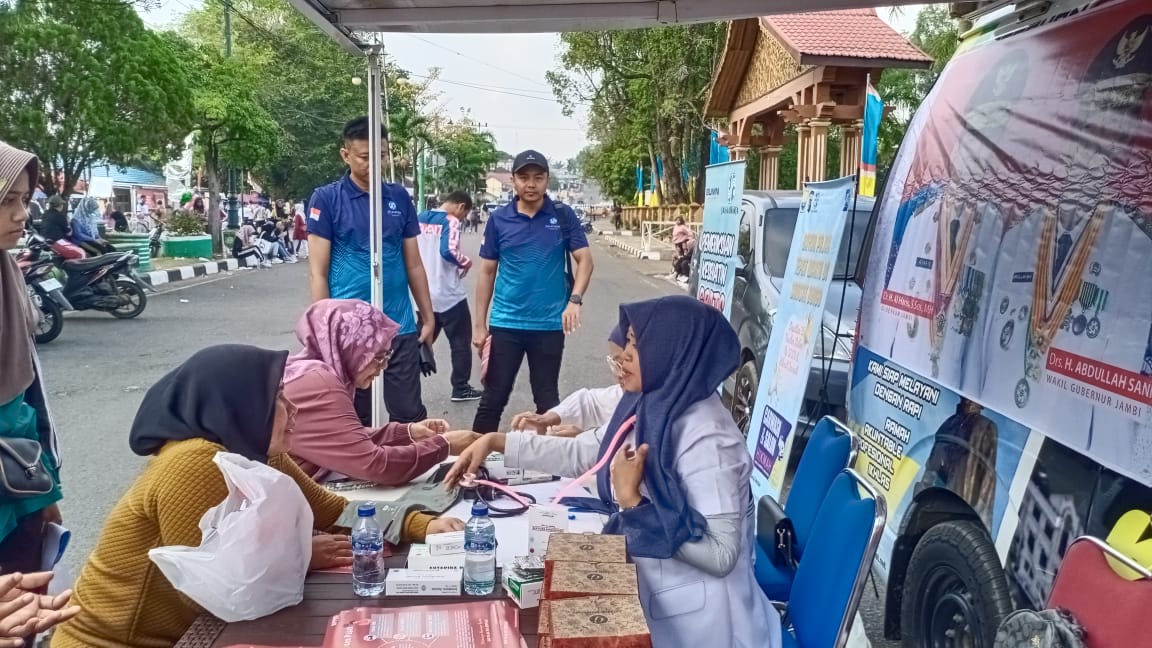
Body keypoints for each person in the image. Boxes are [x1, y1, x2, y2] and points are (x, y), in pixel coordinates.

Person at [51, 345, 463, 648]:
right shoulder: (194, 462)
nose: (294, 409)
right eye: (279, 399)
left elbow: (334, 508)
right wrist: (300, 555)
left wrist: (420, 525)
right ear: (240, 405)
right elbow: (214, 588)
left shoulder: (255, 452)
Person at [448, 296, 780, 648]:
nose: (624, 355)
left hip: (702, 626)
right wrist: (498, 442)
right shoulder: (654, 404)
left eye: (637, 344)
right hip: (655, 592)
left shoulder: (710, 439)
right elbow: (586, 450)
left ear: (672, 348)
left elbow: (721, 554)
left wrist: (633, 503)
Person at [307, 116, 437, 426]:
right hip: (351, 328)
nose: (374, 164)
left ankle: (412, 467)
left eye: (381, 155)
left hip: (399, 322)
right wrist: (322, 329)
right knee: (354, 414)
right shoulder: (327, 199)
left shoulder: (398, 198)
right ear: (346, 155)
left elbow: (414, 263)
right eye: (365, 157)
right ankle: (358, 472)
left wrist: (428, 315)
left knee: (408, 413)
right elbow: (318, 272)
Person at [0, 142, 74, 647]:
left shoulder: (7, 271)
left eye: (24, 200)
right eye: (8, 201)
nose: (22, 214)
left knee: (24, 614)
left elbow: (27, 394)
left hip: (17, 478)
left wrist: (45, 491)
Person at [286, 299, 480, 485]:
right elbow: (376, 466)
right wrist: (444, 445)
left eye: (388, 354)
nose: (385, 365)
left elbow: (343, 439)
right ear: (349, 348)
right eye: (378, 356)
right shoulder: (319, 384)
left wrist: (407, 432)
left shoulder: (310, 374)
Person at [471, 150, 594, 433]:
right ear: (513, 180)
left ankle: (551, 465)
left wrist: (574, 301)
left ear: (547, 180)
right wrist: (479, 326)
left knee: (547, 401)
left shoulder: (562, 216)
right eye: (524, 177)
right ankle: (472, 464)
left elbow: (585, 261)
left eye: (538, 178)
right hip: (506, 323)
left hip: (549, 324)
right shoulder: (499, 219)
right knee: (493, 398)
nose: (531, 184)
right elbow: (487, 272)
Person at [417, 191, 483, 402]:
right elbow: (449, 251)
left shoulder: (420, 217)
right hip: (448, 294)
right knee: (460, 343)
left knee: (420, 341)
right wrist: (466, 262)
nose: (462, 219)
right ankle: (460, 387)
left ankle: (405, 384)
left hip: (423, 294)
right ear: (461, 207)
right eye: (464, 215)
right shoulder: (451, 221)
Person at [509, 325, 626, 438]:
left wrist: (585, 441)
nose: (620, 375)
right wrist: (550, 417)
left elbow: (628, 450)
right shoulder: (627, 394)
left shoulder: (642, 414)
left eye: (629, 360)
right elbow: (591, 402)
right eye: (615, 364)